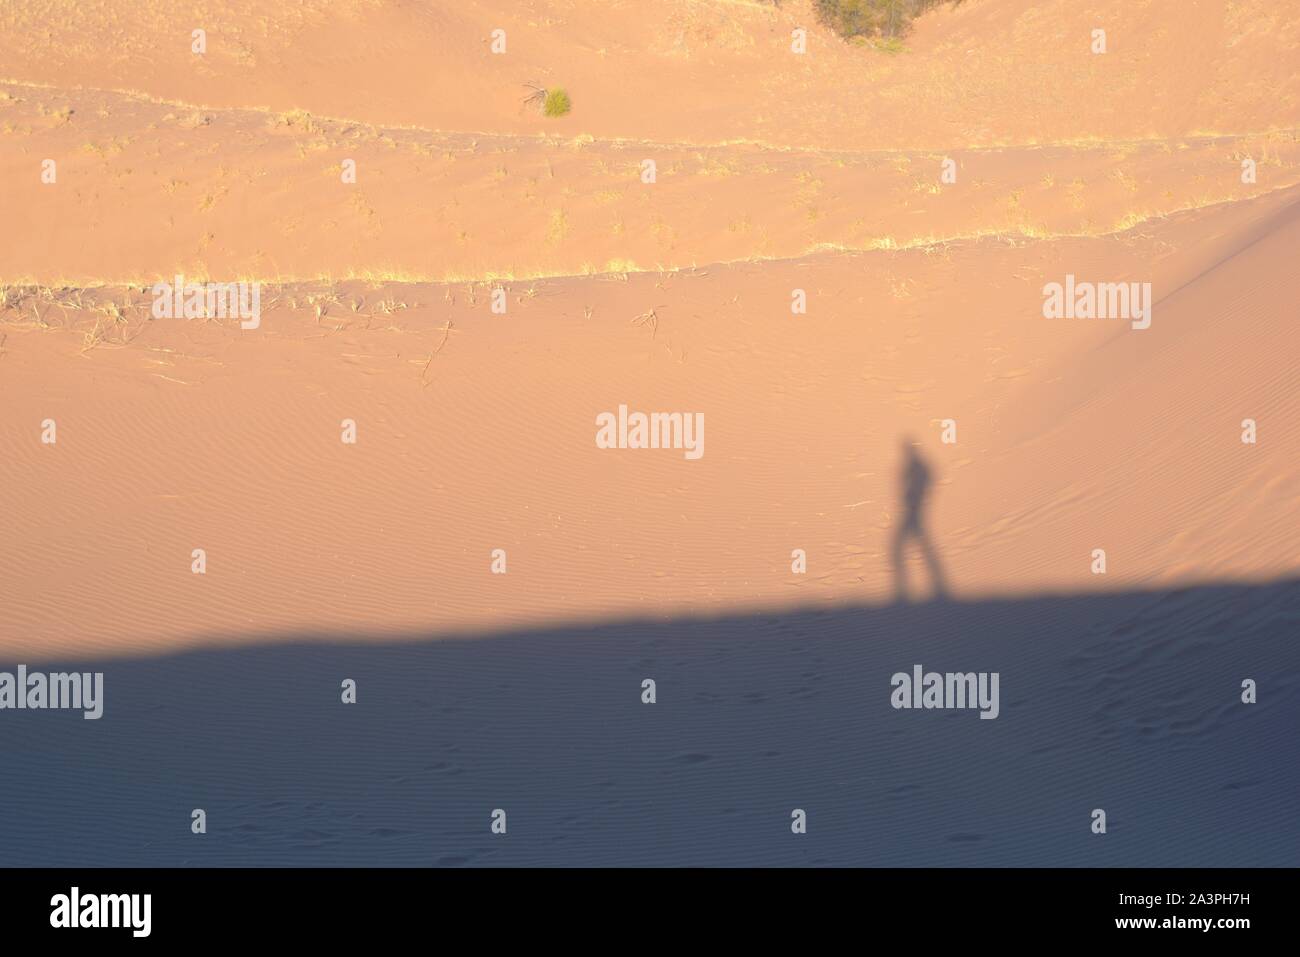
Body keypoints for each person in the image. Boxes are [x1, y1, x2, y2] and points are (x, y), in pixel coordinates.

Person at [891, 438, 948, 601]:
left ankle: (904, 587)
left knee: (900, 546)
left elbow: (920, 483)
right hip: (913, 509)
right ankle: (934, 582)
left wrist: (914, 498)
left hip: (913, 509)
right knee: (920, 545)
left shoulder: (919, 466)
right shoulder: (916, 465)